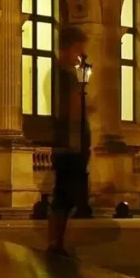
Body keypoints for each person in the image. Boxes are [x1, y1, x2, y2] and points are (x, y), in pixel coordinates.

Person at [46, 26, 90, 257]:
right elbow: (70, 110)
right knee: (65, 195)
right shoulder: (63, 76)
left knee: (66, 195)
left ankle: (57, 242)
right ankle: (55, 243)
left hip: (70, 144)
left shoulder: (65, 75)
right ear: (65, 50)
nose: (80, 57)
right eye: (78, 51)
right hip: (69, 145)